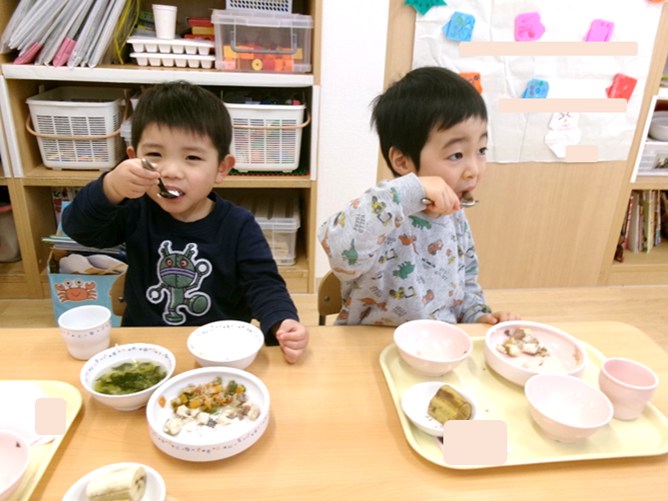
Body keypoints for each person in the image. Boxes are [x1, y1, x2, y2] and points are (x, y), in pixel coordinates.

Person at [63, 81, 308, 363]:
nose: (171, 171)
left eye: (192, 157)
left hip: (222, 351)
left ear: (221, 168)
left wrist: (281, 321)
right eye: (154, 155)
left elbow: (263, 284)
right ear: (133, 158)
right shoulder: (134, 210)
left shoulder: (238, 224)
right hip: (146, 350)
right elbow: (79, 230)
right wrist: (110, 187)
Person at [318, 67, 519, 326]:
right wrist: (408, 191)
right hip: (368, 345)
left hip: (436, 347)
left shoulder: (456, 218)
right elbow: (341, 253)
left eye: (481, 150)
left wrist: (478, 315)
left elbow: (466, 287)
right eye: (456, 155)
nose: (474, 170)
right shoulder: (384, 210)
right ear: (402, 161)